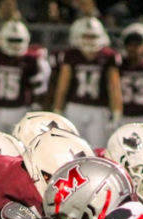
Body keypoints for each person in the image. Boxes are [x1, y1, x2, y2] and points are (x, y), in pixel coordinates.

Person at [52, 16, 122, 148]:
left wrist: (116, 113)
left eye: (93, 36)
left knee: (96, 149)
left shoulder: (108, 56)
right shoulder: (71, 55)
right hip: (74, 106)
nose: (89, 40)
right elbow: (63, 85)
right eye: (86, 36)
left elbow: (114, 87)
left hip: (99, 110)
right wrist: (57, 111)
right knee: (71, 148)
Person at [0, 21, 46, 133]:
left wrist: (34, 106)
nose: (15, 44)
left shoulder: (31, 59)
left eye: (18, 40)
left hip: (20, 109)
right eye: (11, 40)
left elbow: (39, 87)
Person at [118, 27, 143, 125]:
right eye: (130, 45)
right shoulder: (119, 64)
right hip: (122, 114)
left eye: (137, 45)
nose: (133, 48)